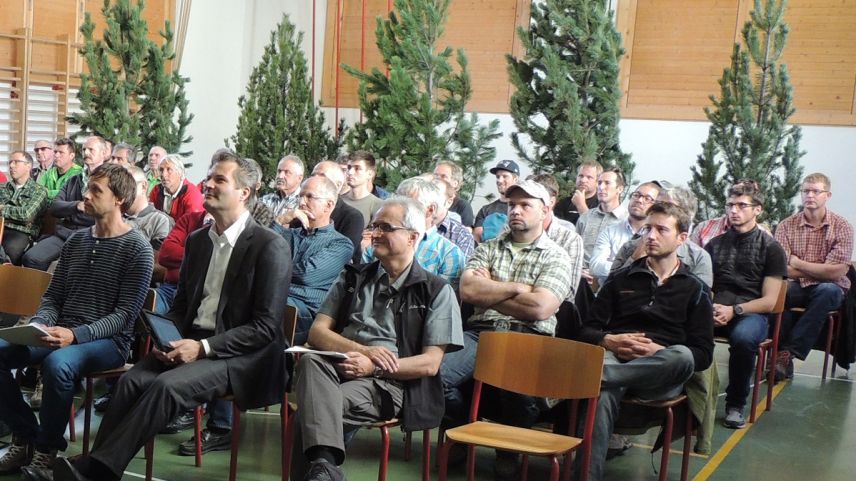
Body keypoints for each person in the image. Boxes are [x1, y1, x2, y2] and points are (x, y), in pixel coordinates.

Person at [52, 150, 292, 481]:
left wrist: (203, 348)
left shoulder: (270, 246)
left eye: (219, 179)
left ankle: (97, 472)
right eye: (208, 177)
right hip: (193, 341)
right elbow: (181, 308)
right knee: (130, 381)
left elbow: (264, 328)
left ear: (244, 193)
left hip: (242, 355)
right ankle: (96, 466)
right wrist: (167, 338)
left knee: (164, 387)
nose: (207, 184)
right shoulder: (198, 242)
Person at [290, 196, 463, 481]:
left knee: (314, 408)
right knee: (310, 361)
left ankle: (322, 469)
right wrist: (364, 352)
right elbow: (318, 332)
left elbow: (430, 364)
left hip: (389, 383)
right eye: (374, 226)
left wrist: (374, 366)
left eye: (385, 227)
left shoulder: (435, 290)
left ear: (412, 237)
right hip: (336, 368)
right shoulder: (353, 277)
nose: (375, 233)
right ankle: (324, 471)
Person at [0, 163, 153, 479]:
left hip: (108, 342)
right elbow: (53, 297)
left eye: (97, 190)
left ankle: (46, 452)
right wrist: (41, 324)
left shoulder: (138, 249)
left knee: (59, 364)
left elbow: (124, 317)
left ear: (119, 200)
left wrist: (75, 334)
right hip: (60, 330)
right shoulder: (77, 241)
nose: (86, 194)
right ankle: (25, 434)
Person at [441, 180, 574, 479]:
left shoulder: (556, 256)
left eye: (525, 205)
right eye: (512, 204)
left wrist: (492, 289)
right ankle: (462, 432)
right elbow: (469, 291)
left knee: (519, 394)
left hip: (529, 337)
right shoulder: (488, 248)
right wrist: (516, 288)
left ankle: (509, 448)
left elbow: (540, 308)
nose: (516, 210)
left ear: (545, 210)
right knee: (438, 376)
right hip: (481, 333)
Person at [577, 201, 714, 481]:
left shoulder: (695, 289)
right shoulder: (620, 279)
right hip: (619, 358)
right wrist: (610, 340)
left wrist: (659, 351)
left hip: (660, 374)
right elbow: (587, 330)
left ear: (682, 238)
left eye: (661, 229)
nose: (651, 236)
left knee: (682, 356)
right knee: (601, 395)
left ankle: (596, 376)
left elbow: (703, 354)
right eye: (648, 228)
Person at [705, 181, 787, 429]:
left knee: (743, 338)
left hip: (751, 312)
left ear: (757, 210)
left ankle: (735, 404)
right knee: (682, 328)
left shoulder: (771, 248)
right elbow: (703, 286)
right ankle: (686, 396)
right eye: (730, 205)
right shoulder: (714, 245)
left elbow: (770, 301)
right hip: (716, 310)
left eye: (742, 205)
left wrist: (734, 311)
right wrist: (711, 307)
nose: (734, 210)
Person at [773, 173, 854, 380]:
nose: (810, 195)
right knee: (780, 292)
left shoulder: (842, 226)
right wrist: (821, 269)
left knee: (828, 291)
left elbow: (837, 272)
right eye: (806, 191)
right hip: (797, 286)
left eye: (816, 191)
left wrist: (798, 262)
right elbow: (782, 268)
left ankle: (788, 353)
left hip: (832, 288)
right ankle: (779, 355)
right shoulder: (785, 225)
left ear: (827, 195)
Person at [275, 176, 354, 345]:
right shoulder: (290, 235)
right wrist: (281, 221)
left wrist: (271, 270)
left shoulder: (341, 244)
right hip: (277, 299)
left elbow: (306, 275)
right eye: (300, 196)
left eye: (309, 197)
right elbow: (258, 254)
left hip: (305, 312)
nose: (302, 202)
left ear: (329, 205)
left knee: (270, 303)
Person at [362, 177, 466, 291]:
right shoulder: (379, 242)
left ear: (430, 210)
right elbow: (362, 288)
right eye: (397, 201)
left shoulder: (449, 254)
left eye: (409, 205)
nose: (399, 209)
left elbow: (443, 299)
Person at [22, 136, 108, 271]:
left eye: (91, 150)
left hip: (91, 236)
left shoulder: (110, 180)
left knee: (73, 268)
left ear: (104, 153)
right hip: (64, 234)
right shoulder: (74, 180)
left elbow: (102, 212)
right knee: (31, 258)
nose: (86, 153)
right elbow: (55, 207)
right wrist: (76, 206)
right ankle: (41, 292)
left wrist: (69, 212)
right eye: (84, 149)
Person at [610, 185, 713, 288]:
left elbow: (700, 297)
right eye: (657, 204)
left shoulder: (698, 258)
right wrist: (634, 259)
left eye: (667, 207)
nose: (658, 210)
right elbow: (608, 289)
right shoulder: (629, 247)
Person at [589, 182, 660, 285]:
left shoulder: (655, 237)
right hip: (610, 292)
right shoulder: (610, 231)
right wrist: (629, 264)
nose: (639, 200)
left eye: (647, 198)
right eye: (637, 195)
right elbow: (595, 266)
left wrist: (615, 264)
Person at [0, 151, 49, 264]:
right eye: (10, 162)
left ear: (28, 166)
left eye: (16, 162)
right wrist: (15, 213)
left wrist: (2, 208)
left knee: (10, 253)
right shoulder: (2, 187)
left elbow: (27, 215)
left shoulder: (39, 190)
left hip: (20, 233)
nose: (11, 166)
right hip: (1, 227)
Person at [310, 161, 364, 264]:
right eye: (313, 175)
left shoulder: (352, 217)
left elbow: (339, 258)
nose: (315, 179)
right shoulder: (303, 211)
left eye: (322, 176)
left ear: (337, 185)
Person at [577, 167, 627, 269]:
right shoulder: (586, 217)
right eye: (599, 183)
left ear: (620, 189)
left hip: (609, 278)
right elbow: (574, 249)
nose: (601, 187)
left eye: (607, 183)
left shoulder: (627, 220)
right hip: (581, 275)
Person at [123, 166, 173, 251]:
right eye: (119, 185)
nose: (122, 190)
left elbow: (157, 260)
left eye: (128, 184)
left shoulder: (160, 220)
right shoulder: (114, 216)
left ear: (144, 186)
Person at [473, 159, 519, 243]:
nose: (499, 180)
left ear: (515, 179)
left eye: (504, 176)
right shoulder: (485, 210)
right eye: (498, 177)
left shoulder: (520, 209)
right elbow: (477, 240)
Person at [148, 154, 204, 221]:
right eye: (161, 170)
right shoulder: (156, 190)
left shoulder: (192, 194)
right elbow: (149, 216)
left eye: (169, 170)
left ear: (180, 173)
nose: (163, 174)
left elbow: (192, 224)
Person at [431, 176, 475, 258]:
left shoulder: (462, 235)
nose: (429, 200)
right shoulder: (414, 225)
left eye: (436, 196)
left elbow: (460, 269)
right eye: (427, 194)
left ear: (449, 202)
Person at [554, 160, 603, 225]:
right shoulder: (564, 203)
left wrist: (581, 206)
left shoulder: (602, 206)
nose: (583, 180)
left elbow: (595, 230)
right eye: (581, 176)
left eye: (589, 177)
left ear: (598, 182)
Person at [342, 151, 383, 227]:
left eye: (357, 168)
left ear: (370, 174)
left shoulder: (379, 205)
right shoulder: (337, 201)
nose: (350, 172)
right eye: (349, 167)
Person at [261, 154, 305, 222]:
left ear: (299, 178)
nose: (280, 176)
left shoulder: (303, 203)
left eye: (287, 172)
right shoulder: (266, 200)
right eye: (279, 171)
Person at [433, 160, 474, 227]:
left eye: (443, 176)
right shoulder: (425, 201)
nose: (437, 179)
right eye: (435, 176)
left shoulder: (462, 206)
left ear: (455, 183)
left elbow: (465, 233)